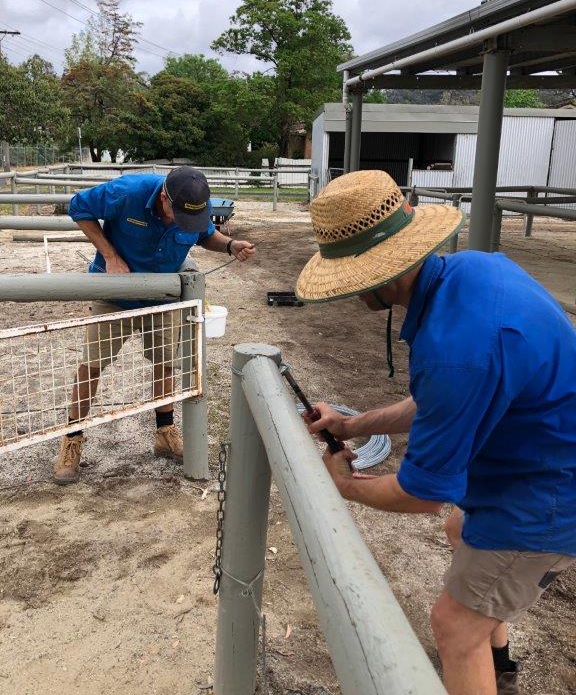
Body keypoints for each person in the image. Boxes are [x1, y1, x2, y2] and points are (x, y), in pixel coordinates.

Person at [295, 169, 576, 695]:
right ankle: (499, 665)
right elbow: (438, 403)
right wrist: (351, 425)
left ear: (378, 277)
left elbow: (420, 495)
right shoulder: (475, 270)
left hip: (552, 495)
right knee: (458, 530)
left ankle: (479, 657)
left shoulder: (454, 353)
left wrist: (343, 485)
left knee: (453, 627)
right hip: (540, 454)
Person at [53, 166, 255, 485]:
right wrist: (109, 255)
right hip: (115, 293)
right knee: (92, 364)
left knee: (165, 363)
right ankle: (72, 438)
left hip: (162, 294)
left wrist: (230, 245)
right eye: (178, 216)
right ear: (163, 198)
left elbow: (205, 235)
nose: (182, 224)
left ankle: (164, 432)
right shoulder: (127, 192)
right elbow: (79, 206)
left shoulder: (193, 207)